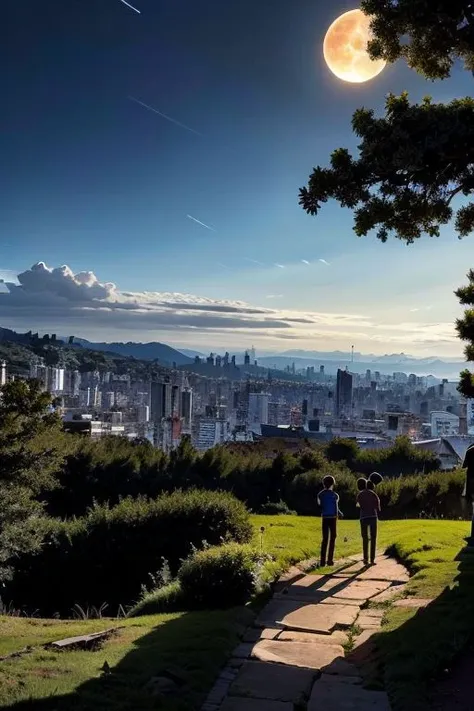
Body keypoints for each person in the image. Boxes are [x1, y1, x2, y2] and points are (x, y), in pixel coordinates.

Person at [317, 475, 343, 567]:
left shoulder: (320, 494)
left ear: (324, 484)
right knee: (333, 537)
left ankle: (322, 561)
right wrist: (339, 513)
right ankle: (330, 560)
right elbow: (336, 507)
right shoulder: (335, 495)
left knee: (325, 539)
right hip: (333, 518)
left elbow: (320, 504)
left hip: (325, 517)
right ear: (333, 484)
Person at [356, 474, 381, 566]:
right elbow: (378, 506)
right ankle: (372, 559)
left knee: (365, 538)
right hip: (373, 516)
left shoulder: (360, 494)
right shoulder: (373, 494)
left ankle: (365, 558)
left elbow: (358, 505)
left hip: (363, 517)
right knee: (373, 538)